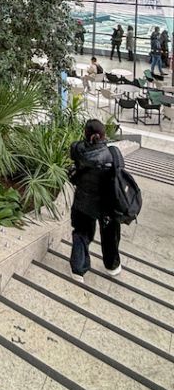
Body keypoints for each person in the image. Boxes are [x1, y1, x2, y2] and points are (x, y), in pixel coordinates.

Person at [69, 119, 123, 282]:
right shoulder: (112, 153)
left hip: (82, 201)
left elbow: (76, 153)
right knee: (110, 235)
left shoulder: (77, 149)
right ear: (103, 135)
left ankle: (78, 269)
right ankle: (111, 266)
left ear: (86, 133)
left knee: (81, 233)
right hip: (106, 204)